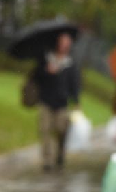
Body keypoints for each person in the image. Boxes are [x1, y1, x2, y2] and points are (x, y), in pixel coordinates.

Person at [35, 31, 81, 170]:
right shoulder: (46, 59)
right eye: (62, 41)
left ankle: (60, 152)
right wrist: (47, 71)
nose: (64, 44)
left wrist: (76, 101)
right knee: (45, 130)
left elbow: (75, 83)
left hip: (62, 103)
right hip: (46, 100)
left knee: (61, 130)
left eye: (67, 41)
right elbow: (36, 77)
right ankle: (47, 161)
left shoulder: (70, 63)